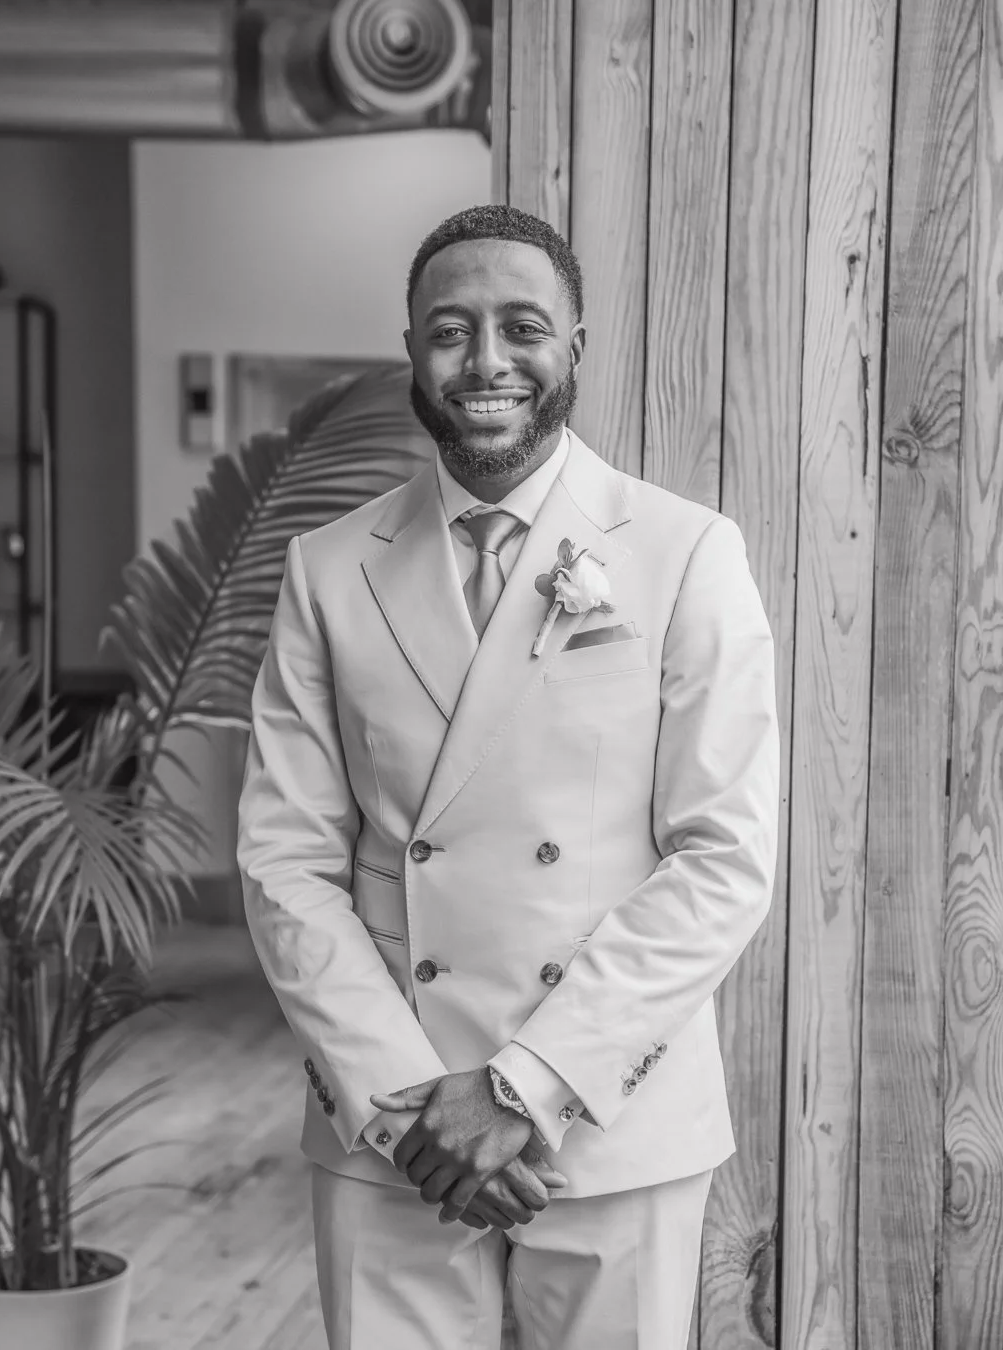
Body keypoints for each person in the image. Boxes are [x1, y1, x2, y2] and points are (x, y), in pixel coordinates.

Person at [237, 203, 779, 1350]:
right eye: (451, 330)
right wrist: (408, 1107)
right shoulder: (326, 569)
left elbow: (724, 859)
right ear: (412, 350)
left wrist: (521, 1089)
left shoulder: (685, 551)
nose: (486, 361)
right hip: (394, 1128)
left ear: (572, 347)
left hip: (610, 1119)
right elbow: (285, 860)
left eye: (521, 327)